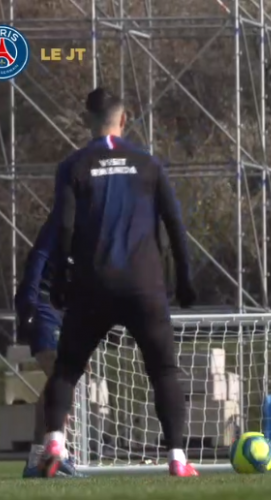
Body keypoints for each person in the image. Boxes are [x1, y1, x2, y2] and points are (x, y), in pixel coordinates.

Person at [38, 87, 198, 478]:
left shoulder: (73, 166)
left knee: (67, 369)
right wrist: (186, 279)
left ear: (85, 121)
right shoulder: (149, 165)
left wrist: (60, 279)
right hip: (144, 284)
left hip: (93, 284)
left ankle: (54, 445)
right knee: (163, 370)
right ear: (124, 120)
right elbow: (175, 226)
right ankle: (177, 458)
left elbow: (64, 227)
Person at [13, 216, 83, 478]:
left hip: (64, 310)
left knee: (61, 380)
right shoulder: (64, 217)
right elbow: (38, 256)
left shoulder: (100, 224)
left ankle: (37, 459)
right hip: (42, 304)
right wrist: (29, 301)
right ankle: (57, 452)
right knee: (61, 375)